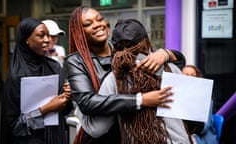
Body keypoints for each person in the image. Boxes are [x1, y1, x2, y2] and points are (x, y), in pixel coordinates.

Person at [65, 6, 186, 144]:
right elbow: (87, 102)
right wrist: (140, 100)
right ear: (79, 32)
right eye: (88, 24)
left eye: (99, 19)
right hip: (106, 138)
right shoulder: (76, 61)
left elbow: (181, 63)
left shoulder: (122, 49)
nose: (97, 25)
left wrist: (166, 53)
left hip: (131, 132)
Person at [97, 19, 191, 143]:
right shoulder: (171, 69)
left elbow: (97, 128)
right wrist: (166, 54)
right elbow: (194, 116)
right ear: (146, 41)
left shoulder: (113, 79)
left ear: (115, 48)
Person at [0, 17, 73, 144]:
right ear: (26, 39)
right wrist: (46, 109)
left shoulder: (54, 67)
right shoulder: (17, 75)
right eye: (41, 36)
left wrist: (68, 96)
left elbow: (65, 109)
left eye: (48, 35)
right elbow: (14, 126)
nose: (48, 40)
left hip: (55, 137)